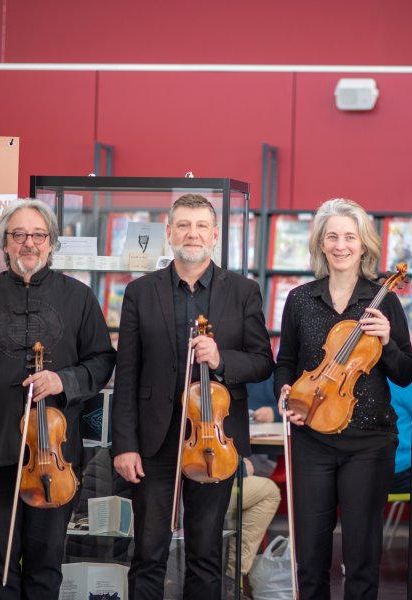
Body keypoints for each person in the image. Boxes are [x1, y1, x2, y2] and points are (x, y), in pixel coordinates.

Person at [111, 193, 274, 599]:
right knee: (148, 551)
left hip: (214, 442)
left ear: (215, 234)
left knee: (205, 552)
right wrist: (125, 445)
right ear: (168, 232)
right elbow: (127, 375)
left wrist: (221, 359)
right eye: (183, 225)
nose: (192, 233)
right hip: (154, 441)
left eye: (201, 225)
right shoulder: (140, 292)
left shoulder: (243, 291)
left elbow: (261, 362)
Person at [275, 198, 412, 599]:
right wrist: (285, 394)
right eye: (332, 236)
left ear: (363, 244)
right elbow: (285, 363)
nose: (341, 245)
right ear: (321, 243)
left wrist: (388, 342)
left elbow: (406, 370)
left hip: (369, 443)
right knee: (311, 555)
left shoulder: (383, 299)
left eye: (349, 237)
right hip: (312, 441)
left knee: (361, 556)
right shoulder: (300, 299)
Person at [0, 199, 116, 600]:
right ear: (4, 243)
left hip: (51, 455)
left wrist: (63, 381)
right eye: (19, 234)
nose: (29, 243)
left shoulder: (78, 297)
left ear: (52, 243)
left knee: (45, 561)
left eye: (38, 235)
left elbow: (102, 361)